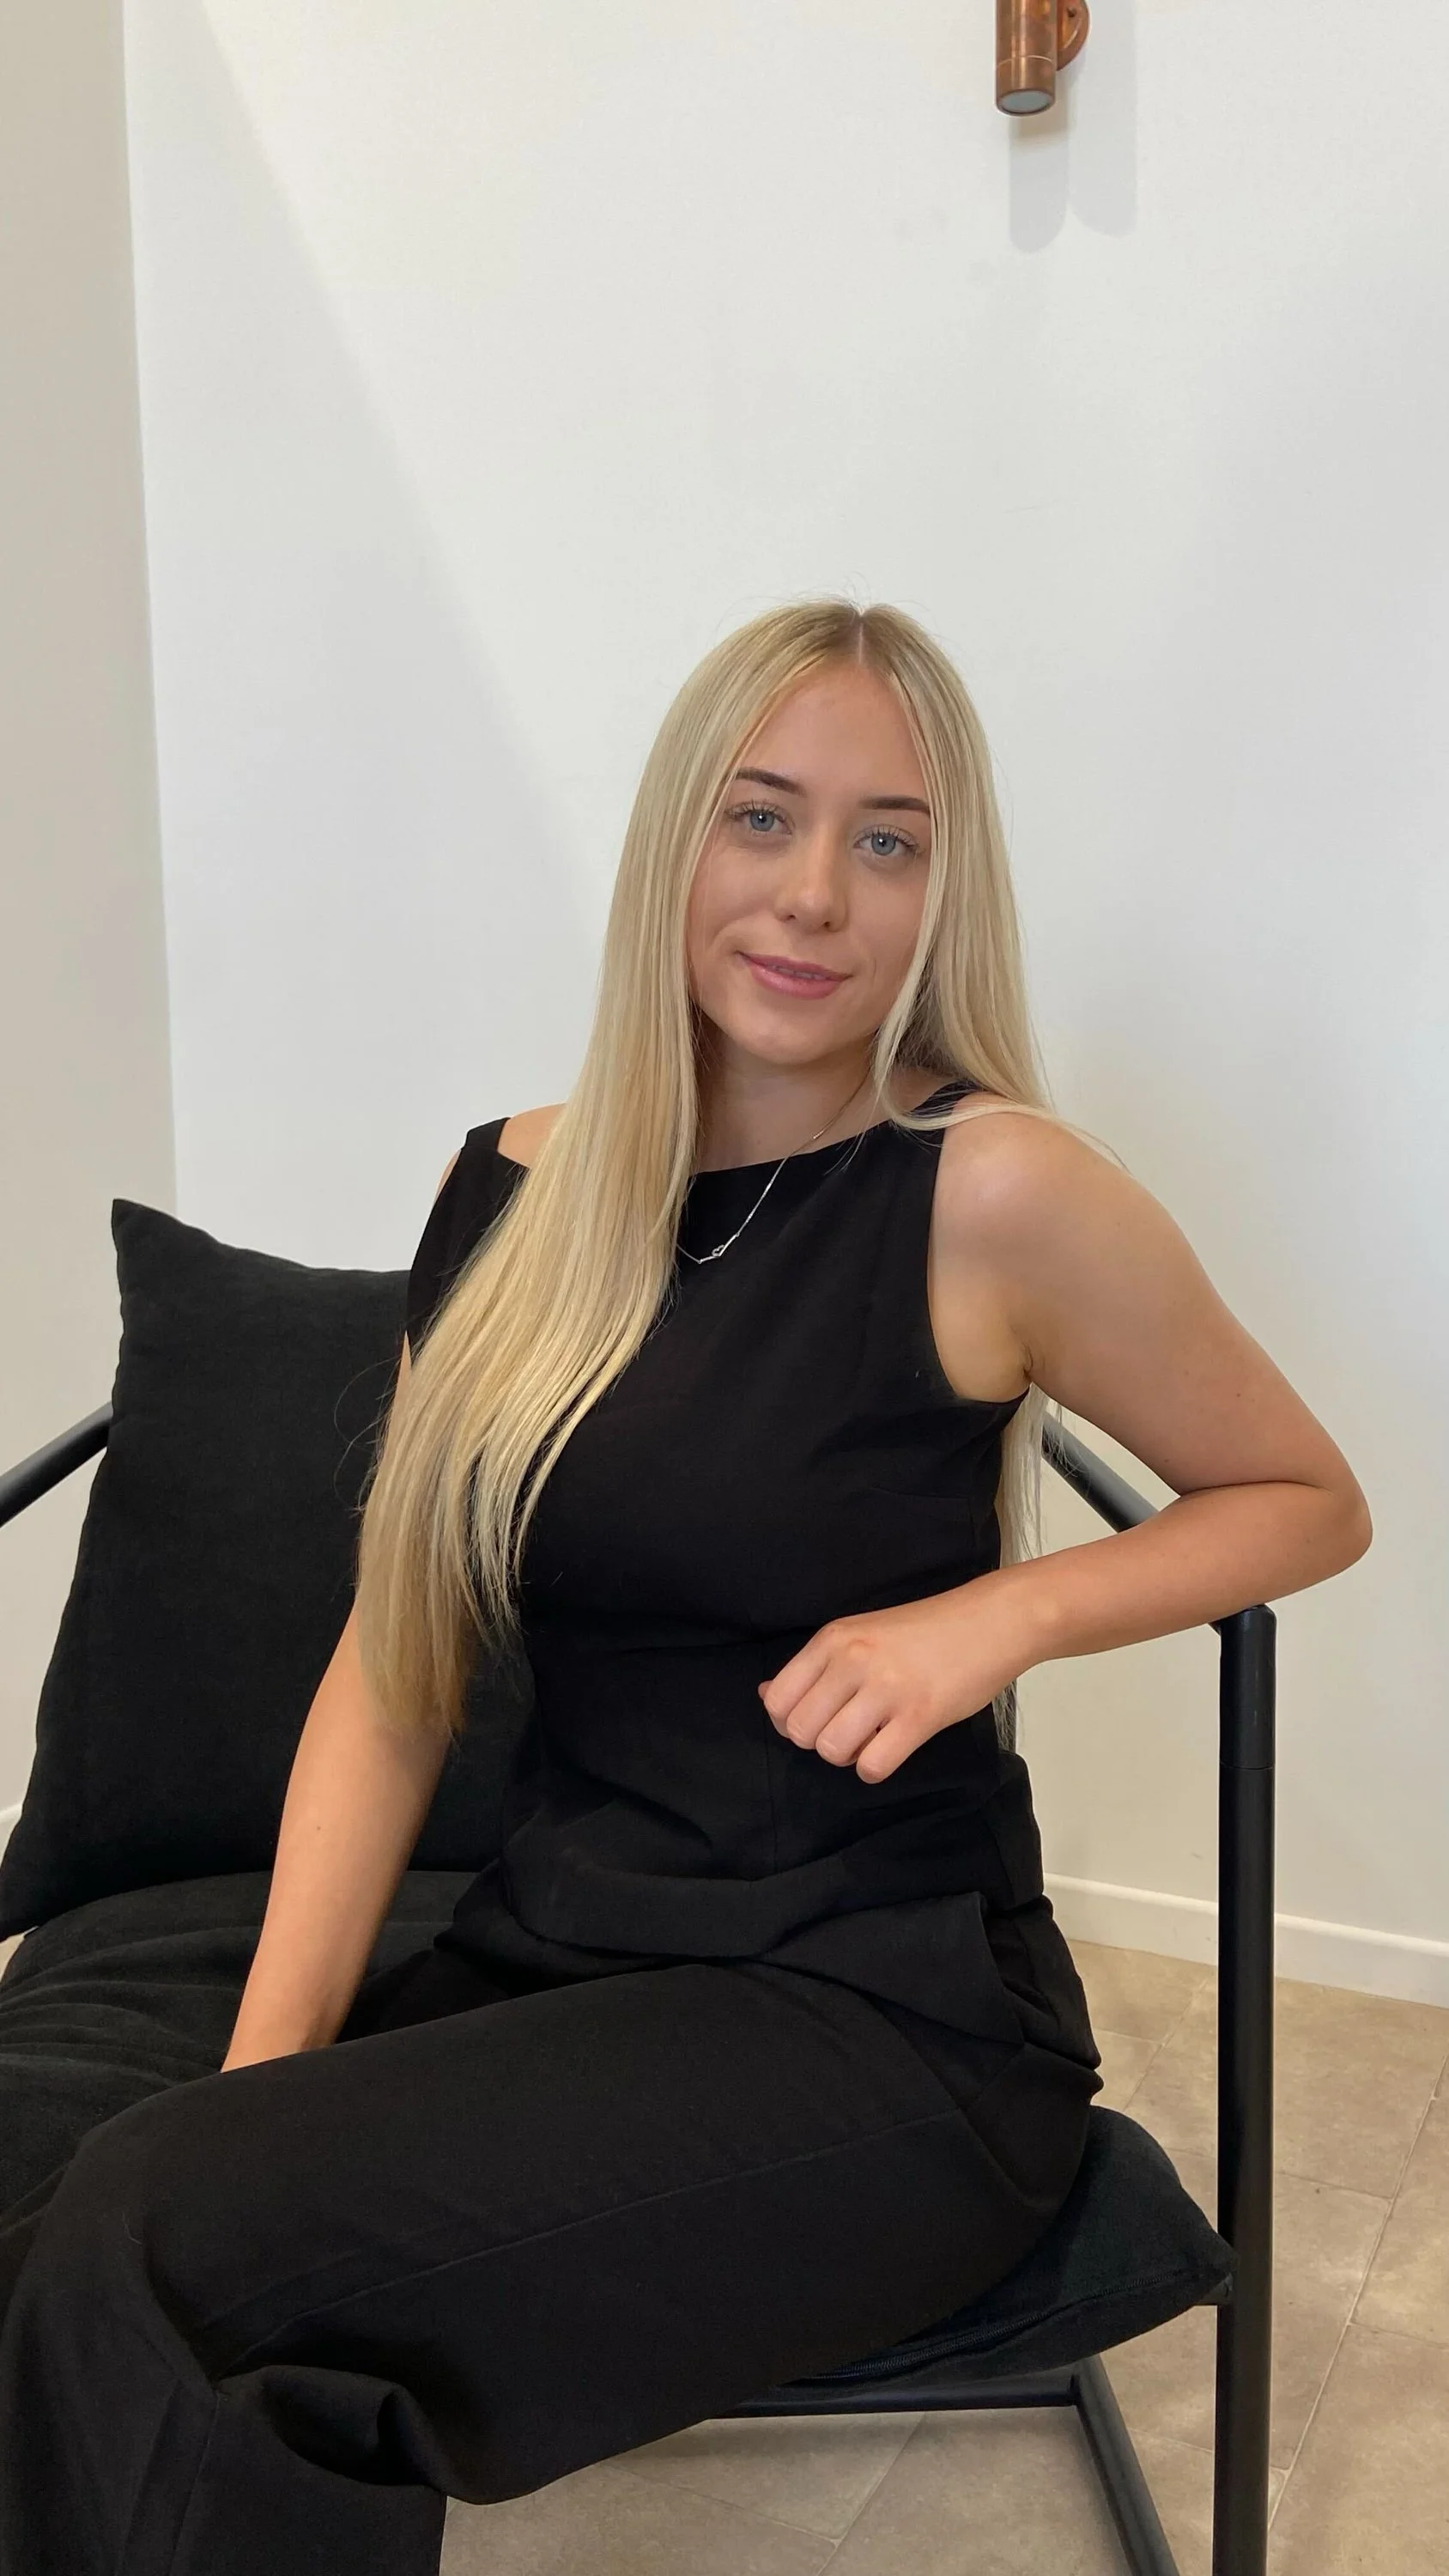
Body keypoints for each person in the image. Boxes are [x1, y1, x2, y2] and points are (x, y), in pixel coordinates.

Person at [0, 598, 1371, 2573]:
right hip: (567, 1949)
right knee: (92, 2218)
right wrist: (263, 2064)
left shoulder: (992, 1189)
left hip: (884, 2020)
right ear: (676, 841)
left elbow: (1303, 1497)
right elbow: (393, 1672)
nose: (814, 893)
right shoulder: (512, 1192)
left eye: (886, 841)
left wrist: (997, 1615)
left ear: (943, 891)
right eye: (762, 816)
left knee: (161, 2248)